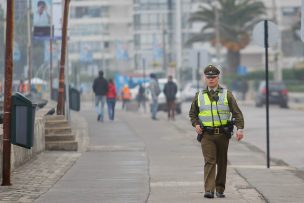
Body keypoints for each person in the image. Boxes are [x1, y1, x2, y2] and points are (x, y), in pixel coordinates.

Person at [189, 65, 244, 199]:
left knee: (222, 161)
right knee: (210, 161)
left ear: (218, 78)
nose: (211, 79)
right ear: (205, 78)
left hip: (223, 134)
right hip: (206, 135)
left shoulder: (227, 94)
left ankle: (220, 189)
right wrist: (196, 124)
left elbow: (237, 113)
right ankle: (209, 190)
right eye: (209, 77)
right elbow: (192, 114)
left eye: (213, 77)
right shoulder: (199, 96)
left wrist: (240, 129)